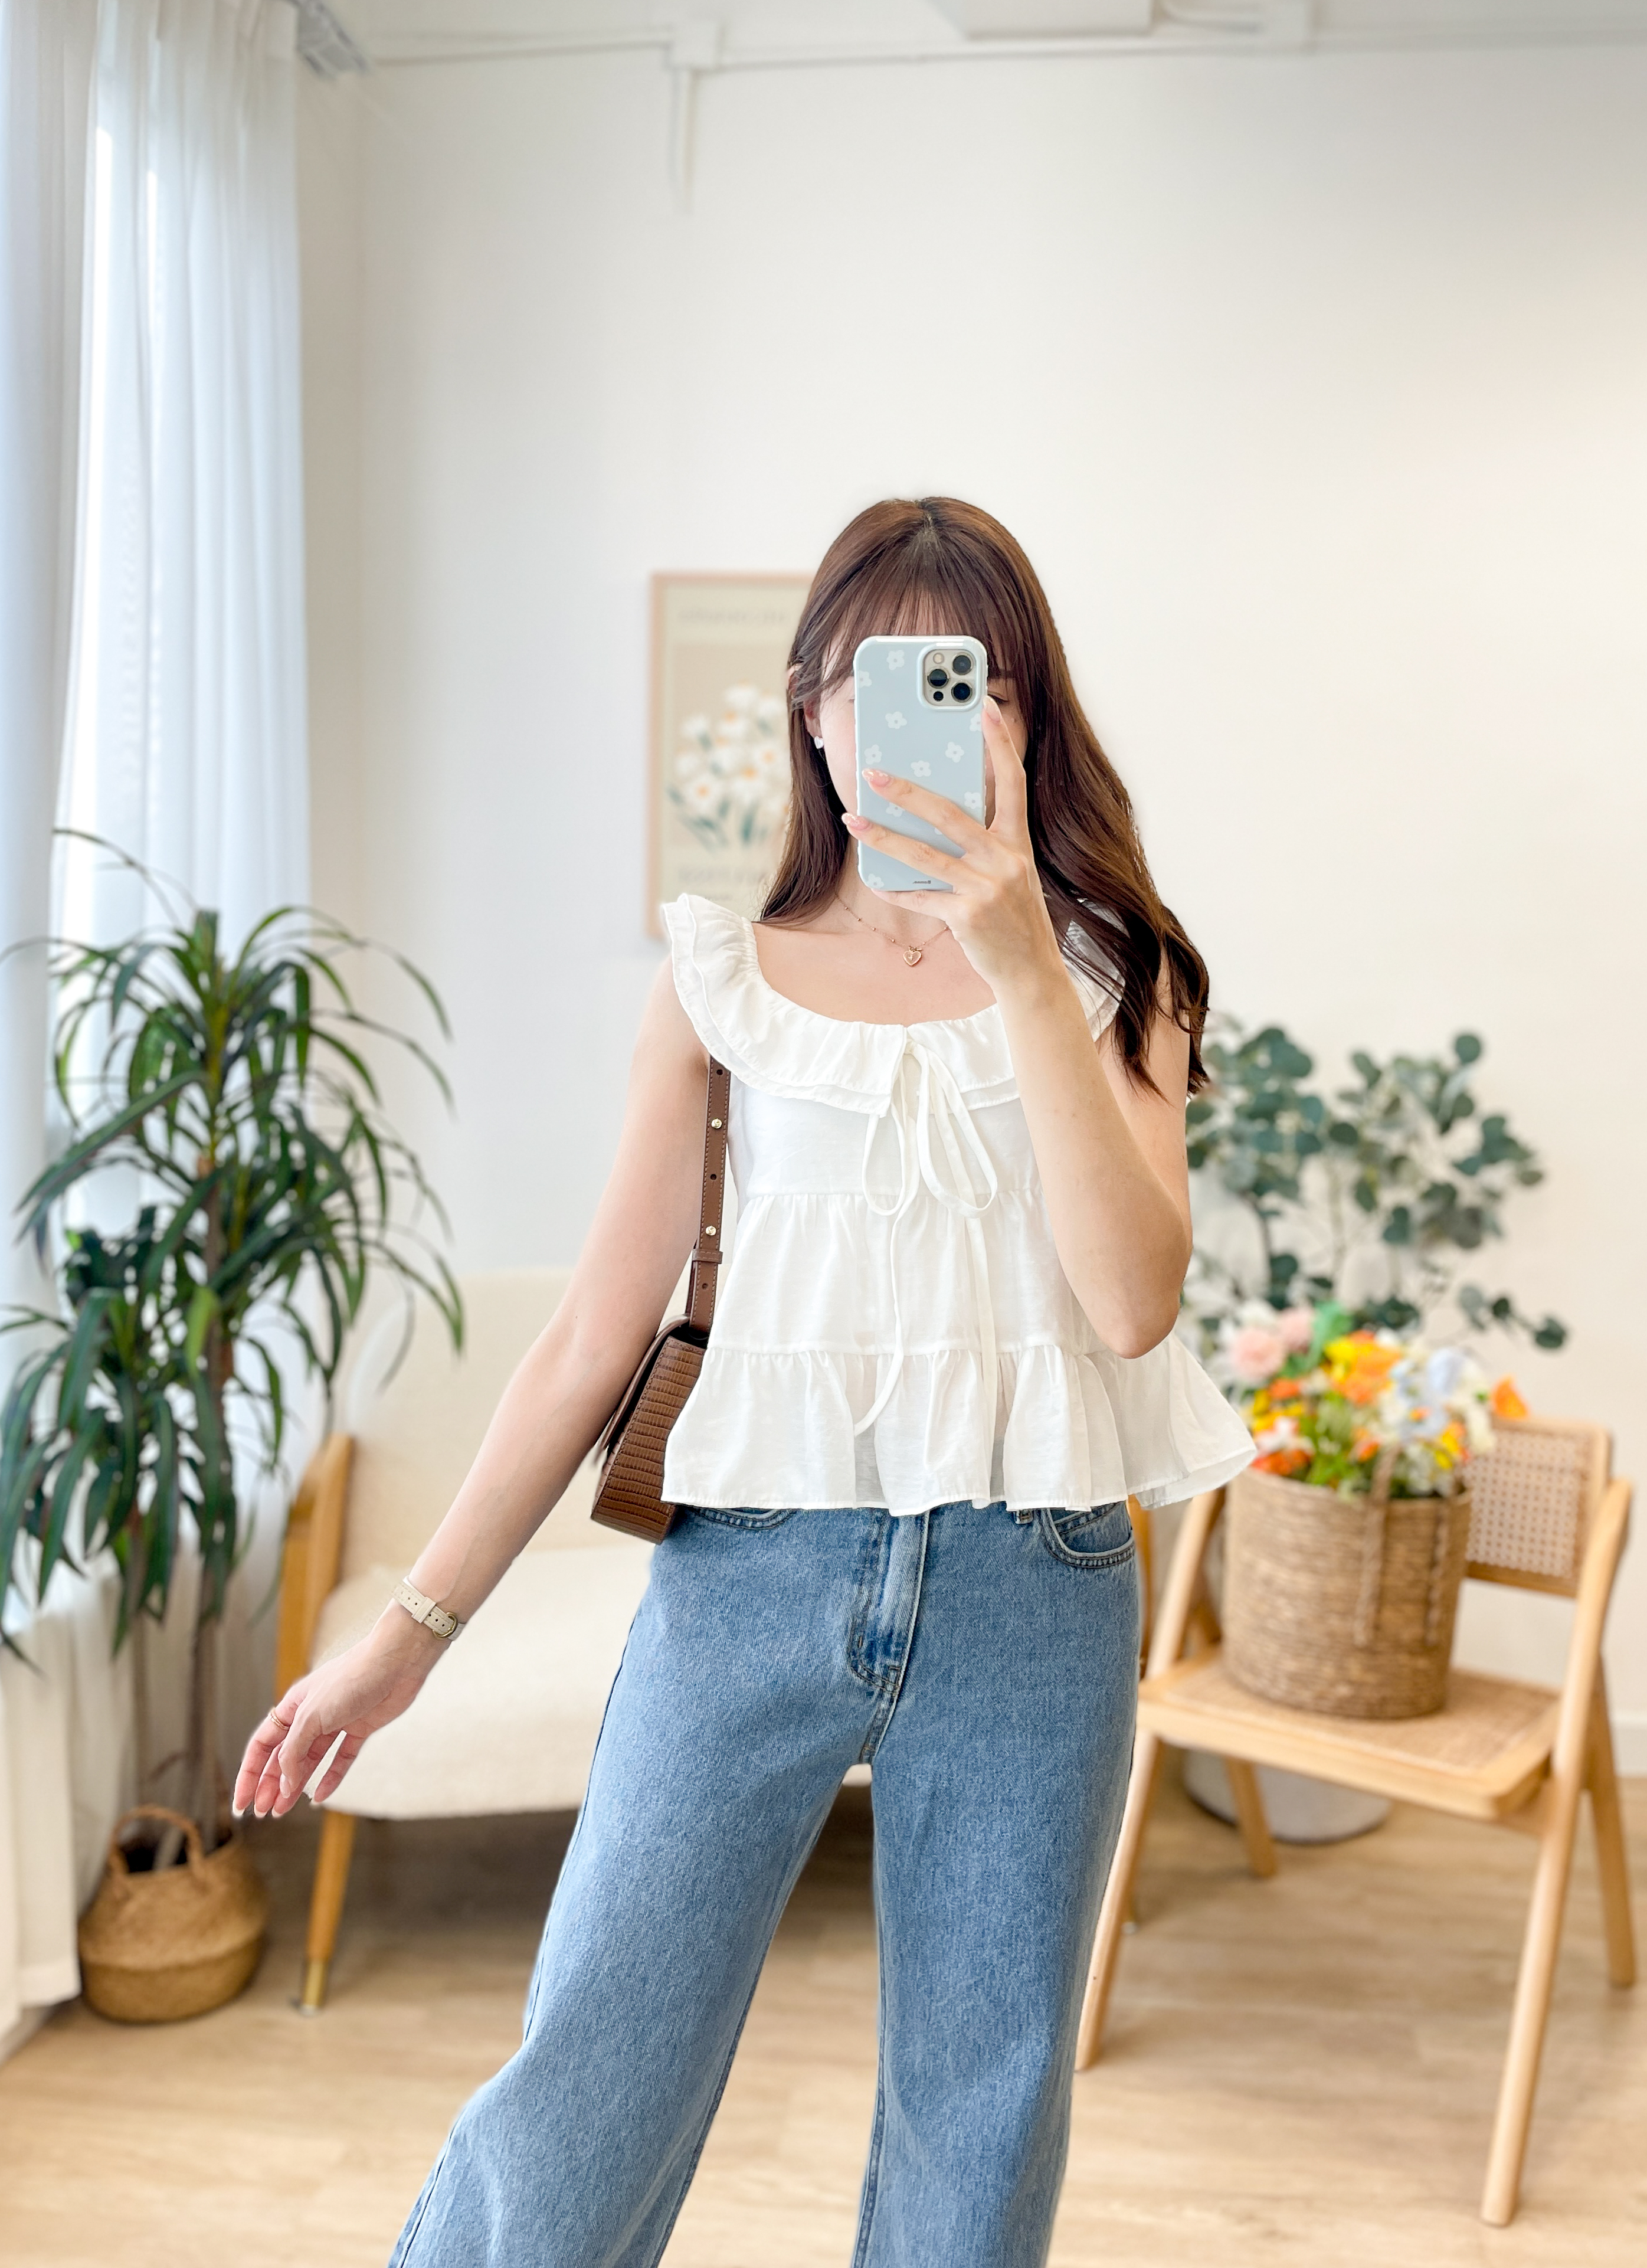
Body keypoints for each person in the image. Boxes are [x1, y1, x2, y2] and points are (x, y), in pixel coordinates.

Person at [234, 496, 1253, 2268]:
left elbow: (1131, 1304)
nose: (914, 719)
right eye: (874, 678)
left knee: (984, 2112)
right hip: (749, 1576)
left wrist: (1023, 967)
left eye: (972, 681)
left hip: (1037, 1584)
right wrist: (409, 1633)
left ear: (1023, 718)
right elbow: (590, 1337)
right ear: (813, 713)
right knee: (593, 2069)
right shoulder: (719, 980)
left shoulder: (1115, 975)